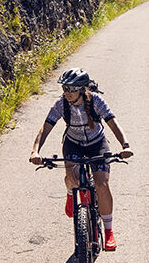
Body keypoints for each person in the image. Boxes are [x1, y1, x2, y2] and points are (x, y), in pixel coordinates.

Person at [28, 68, 133, 251]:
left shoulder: (96, 101)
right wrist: (35, 151)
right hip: (73, 143)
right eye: (64, 88)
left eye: (71, 88)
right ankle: (71, 194)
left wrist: (125, 146)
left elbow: (112, 123)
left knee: (101, 184)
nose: (67, 92)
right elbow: (45, 128)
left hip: (96, 143)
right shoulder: (61, 104)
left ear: (82, 89)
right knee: (73, 178)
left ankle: (108, 231)